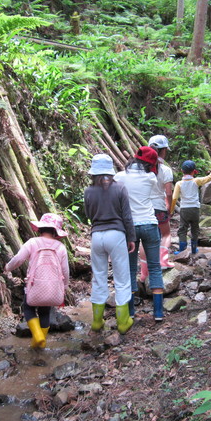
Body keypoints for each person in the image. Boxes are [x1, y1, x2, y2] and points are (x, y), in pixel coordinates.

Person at [84, 154, 136, 334]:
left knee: (99, 277)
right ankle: (123, 322)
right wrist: (131, 237)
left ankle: (97, 322)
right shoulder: (120, 188)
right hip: (117, 234)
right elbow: (127, 217)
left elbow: (88, 215)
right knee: (122, 279)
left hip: (97, 236)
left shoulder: (88, 191)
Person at [4, 213, 70, 349]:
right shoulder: (60, 247)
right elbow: (65, 270)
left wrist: (8, 267)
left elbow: (18, 259)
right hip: (52, 287)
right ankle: (39, 343)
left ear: (40, 228)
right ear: (56, 231)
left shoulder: (33, 242)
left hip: (35, 285)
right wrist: (65, 285)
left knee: (28, 308)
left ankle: (38, 336)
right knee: (45, 311)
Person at [114, 146, 165, 321]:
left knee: (130, 269)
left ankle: (130, 312)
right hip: (150, 224)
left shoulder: (120, 177)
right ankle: (158, 312)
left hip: (129, 227)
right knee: (155, 267)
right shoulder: (151, 177)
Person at [138, 135, 174, 280]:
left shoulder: (141, 169)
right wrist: (169, 208)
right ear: (163, 150)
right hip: (159, 207)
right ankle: (163, 260)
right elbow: (169, 193)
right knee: (166, 234)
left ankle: (144, 272)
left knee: (143, 241)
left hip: (144, 208)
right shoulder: (165, 170)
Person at [170, 160, 211, 255]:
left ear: (181, 170)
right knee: (195, 229)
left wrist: (171, 210)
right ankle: (194, 249)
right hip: (195, 209)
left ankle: (182, 250)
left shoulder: (179, 184)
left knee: (182, 229)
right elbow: (209, 178)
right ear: (193, 171)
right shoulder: (196, 181)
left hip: (184, 209)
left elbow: (174, 198)